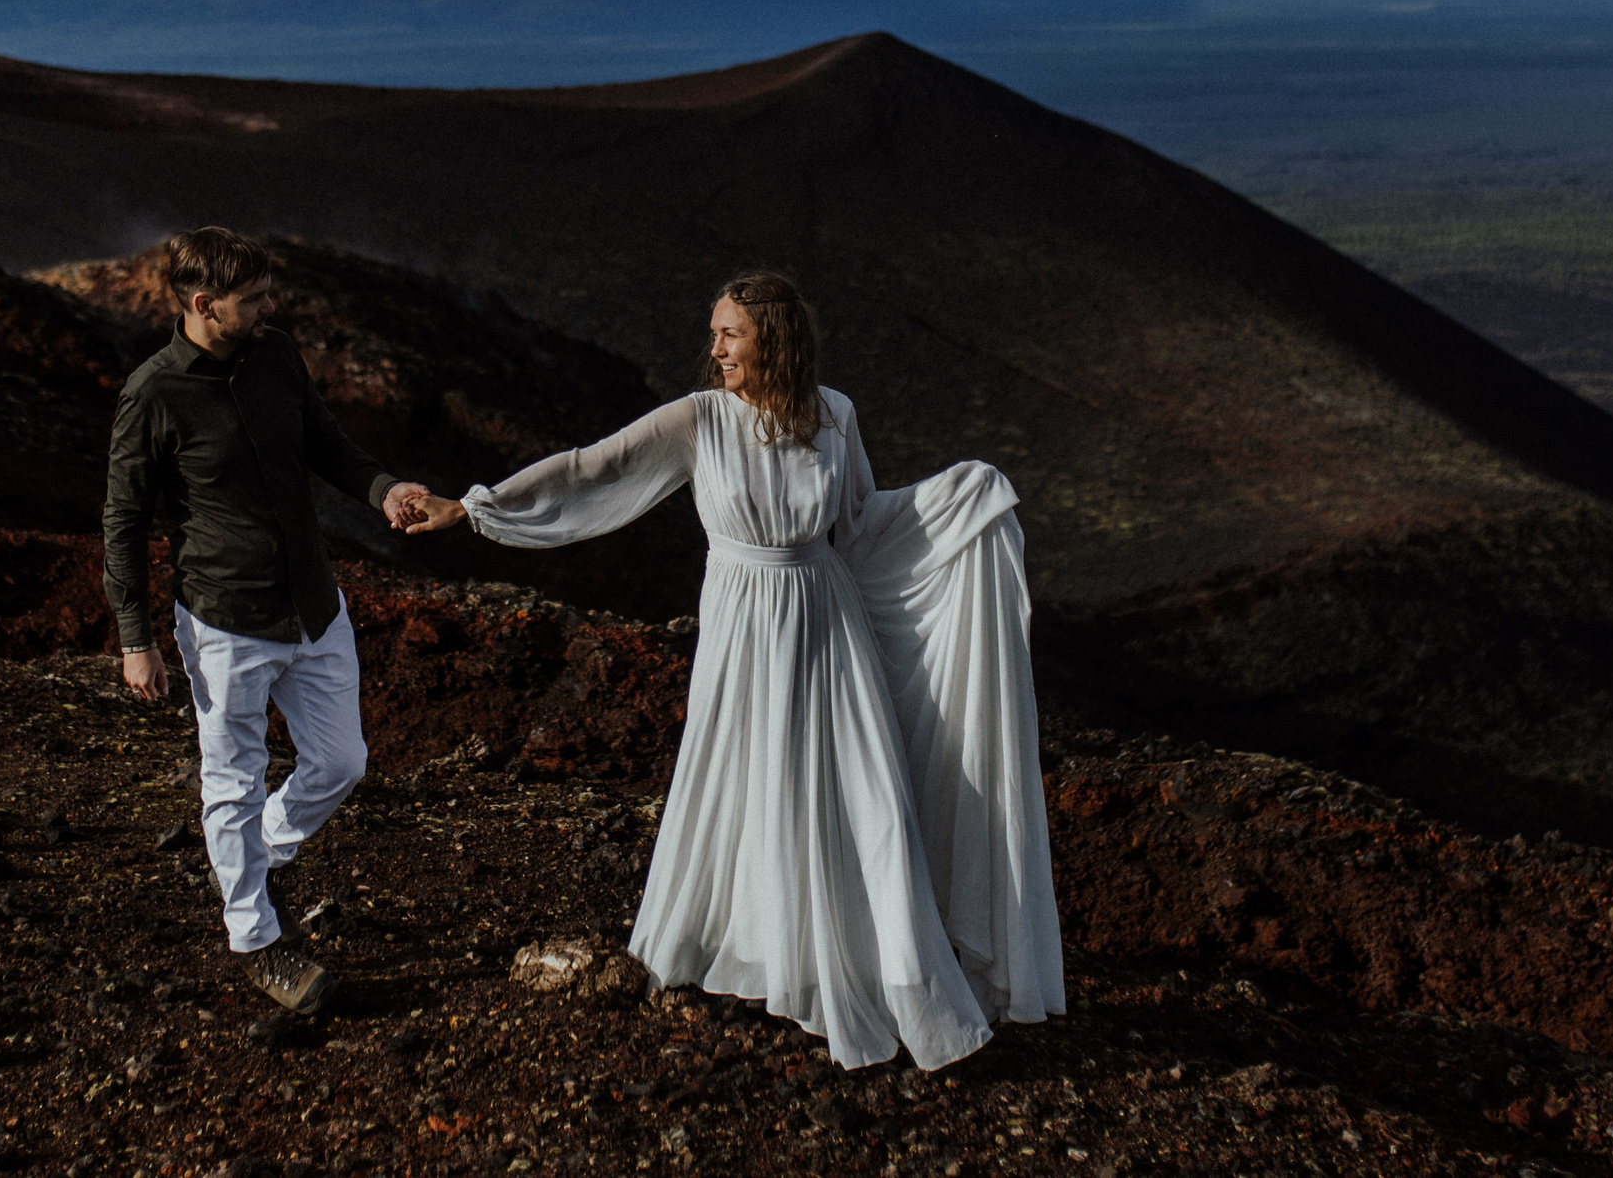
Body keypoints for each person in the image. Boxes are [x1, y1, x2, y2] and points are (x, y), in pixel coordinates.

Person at [399, 271, 1064, 1070]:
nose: (713, 348)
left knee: (868, 799)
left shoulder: (836, 414)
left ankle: (897, 973)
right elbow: (589, 468)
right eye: (714, 332)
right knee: (755, 788)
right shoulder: (699, 418)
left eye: (730, 334)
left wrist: (958, 497)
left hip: (828, 623)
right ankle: (773, 951)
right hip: (744, 627)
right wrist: (473, 507)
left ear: (773, 340)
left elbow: (856, 522)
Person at [104, 227, 434, 1016]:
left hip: (315, 605)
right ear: (203, 305)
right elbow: (123, 517)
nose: (270, 307)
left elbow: (325, 440)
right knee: (232, 778)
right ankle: (255, 938)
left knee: (342, 763)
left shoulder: (275, 353)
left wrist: (382, 486)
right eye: (253, 299)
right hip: (226, 621)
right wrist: (135, 637)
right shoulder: (153, 394)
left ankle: (255, 855)